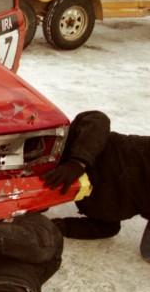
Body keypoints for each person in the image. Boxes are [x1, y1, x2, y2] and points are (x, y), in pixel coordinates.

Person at [43, 109, 150, 258]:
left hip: (106, 196)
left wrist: (57, 227)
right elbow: (97, 119)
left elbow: (97, 119)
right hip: (97, 184)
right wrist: (77, 162)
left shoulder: (109, 216)